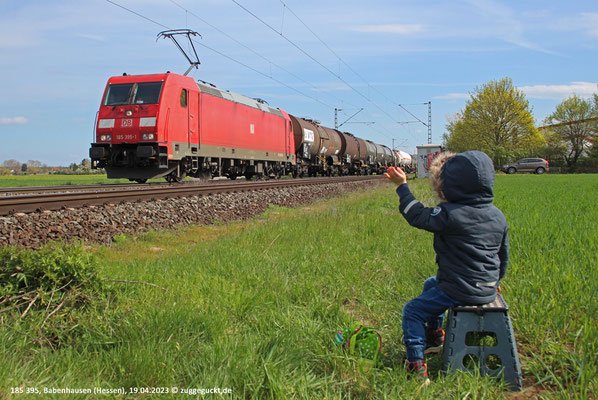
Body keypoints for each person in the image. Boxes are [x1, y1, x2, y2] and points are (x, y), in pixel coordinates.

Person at [384, 150, 509, 381]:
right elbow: (503, 255)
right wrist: (497, 281)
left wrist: (402, 186)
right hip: (488, 287)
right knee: (430, 283)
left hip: (460, 288)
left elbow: (417, 216)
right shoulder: (497, 216)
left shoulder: (450, 214)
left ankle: (416, 365)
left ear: (450, 184)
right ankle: (435, 337)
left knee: (412, 310)